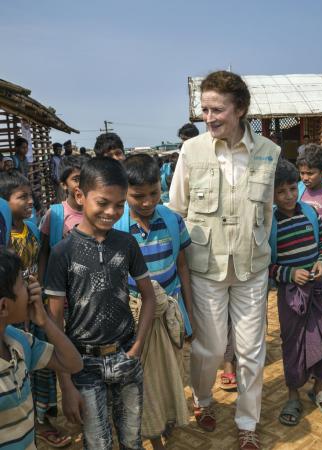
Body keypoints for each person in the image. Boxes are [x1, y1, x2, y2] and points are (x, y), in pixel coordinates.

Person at [169, 70, 280, 450]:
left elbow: (265, 212)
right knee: (211, 348)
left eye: (217, 110)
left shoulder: (269, 152)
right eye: (205, 110)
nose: (209, 117)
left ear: (240, 109)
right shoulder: (191, 150)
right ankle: (202, 399)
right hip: (205, 267)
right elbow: (178, 209)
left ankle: (247, 422)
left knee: (251, 350)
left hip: (251, 267)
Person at [46, 157, 156, 449]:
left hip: (125, 355)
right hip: (82, 364)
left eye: (119, 205)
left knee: (132, 440)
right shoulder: (62, 253)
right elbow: (54, 323)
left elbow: (149, 297)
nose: (111, 212)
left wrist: (137, 348)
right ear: (80, 196)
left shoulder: (126, 244)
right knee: (97, 443)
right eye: (103, 202)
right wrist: (66, 384)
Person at [118, 153, 193, 449]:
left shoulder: (173, 221)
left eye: (154, 194)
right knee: (144, 378)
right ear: (125, 191)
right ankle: (154, 435)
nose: (148, 202)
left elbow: (183, 268)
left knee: (173, 370)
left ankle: (168, 415)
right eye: (139, 196)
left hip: (171, 312)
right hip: (137, 317)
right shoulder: (117, 230)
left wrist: (190, 316)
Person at [0, 169, 72, 447]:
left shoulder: (30, 229)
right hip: (11, 311)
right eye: (22, 197)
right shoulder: (5, 236)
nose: (30, 201)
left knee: (39, 366)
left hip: (31, 305)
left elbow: (40, 261)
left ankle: (39, 417)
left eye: (31, 195)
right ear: (5, 202)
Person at [269, 159, 322, 427]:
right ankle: (293, 395)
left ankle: (319, 389)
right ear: (271, 194)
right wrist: (288, 274)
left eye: (291, 188)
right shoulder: (269, 224)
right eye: (280, 191)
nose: (287, 196)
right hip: (290, 294)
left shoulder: (310, 212)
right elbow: (265, 264)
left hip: (318, 289)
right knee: (293, 343)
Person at [0, 248, 82, 449]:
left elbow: (73, 363)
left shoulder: (19, 343)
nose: (31, 288)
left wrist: (45, 321)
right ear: (3, 307)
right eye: (23, 282)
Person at [38, 155, 85, 283]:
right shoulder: (54, 214)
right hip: (62, 287)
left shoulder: (96, 213)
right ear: (64, 185)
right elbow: (43, 252)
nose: (82, 184)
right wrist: (42, 285)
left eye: (86, 179)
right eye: (76, 179)